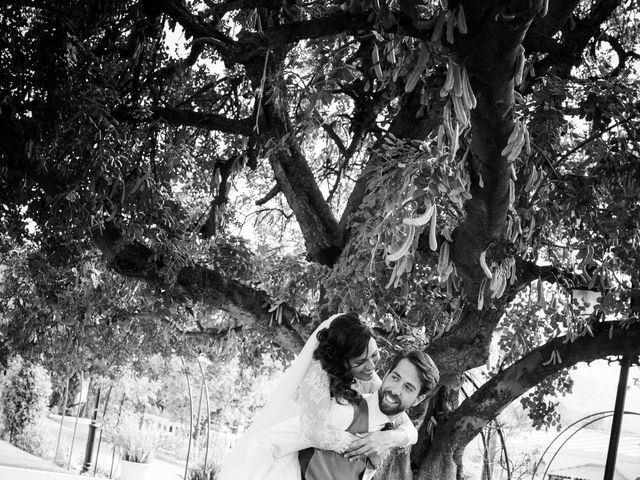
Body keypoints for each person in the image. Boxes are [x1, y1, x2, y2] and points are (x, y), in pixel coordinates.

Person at [218, 313, 419, 480]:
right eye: (360, 361)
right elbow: (314, 433)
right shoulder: (316, 379)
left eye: (375, 354)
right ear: (342, 361)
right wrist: (367, 450)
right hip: (287, 461)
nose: (372, 367)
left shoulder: (365, 368)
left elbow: (409, 429)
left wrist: (387, 437)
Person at [298, 350, 440, 480]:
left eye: (408, 387)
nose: (396, 390)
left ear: (418, 399)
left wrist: (388, 438)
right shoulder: (345, 412)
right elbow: (286, 437)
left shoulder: (387, 431)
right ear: (385, 375)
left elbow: (411, 434)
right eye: (395, 378)